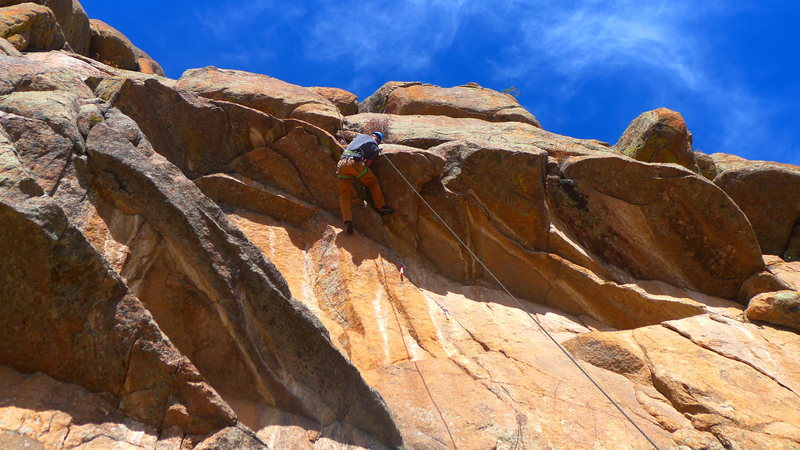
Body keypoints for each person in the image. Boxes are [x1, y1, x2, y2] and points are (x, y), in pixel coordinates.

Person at [337, 131, 394, 234]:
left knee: (344, 194)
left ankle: (347, 220)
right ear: (378, 140)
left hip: (341, 164)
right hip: (354, 162)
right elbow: (367, 164)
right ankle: (380, 207)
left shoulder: (360, 136)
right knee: (373, 183)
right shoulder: (375, 146)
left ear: (372, 135)